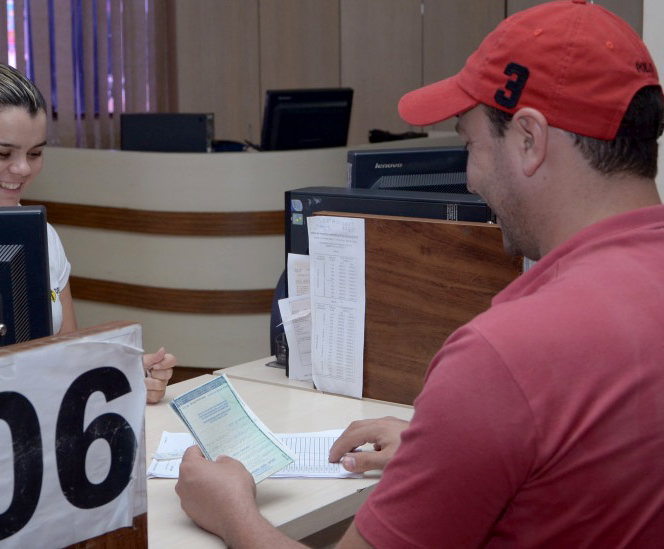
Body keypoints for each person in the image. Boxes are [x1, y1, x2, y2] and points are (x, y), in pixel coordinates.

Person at [174, 0, 664, 545]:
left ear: (529, 139)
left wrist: (231, 513)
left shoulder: (503, 357)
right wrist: (456, 442)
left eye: (470, 145)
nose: (471, 180)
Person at [0, 60, 175, 404]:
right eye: (2, 152)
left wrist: (122, 378)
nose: (22, 169)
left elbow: (67, 360)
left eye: (35, 153)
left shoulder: (42, 235)